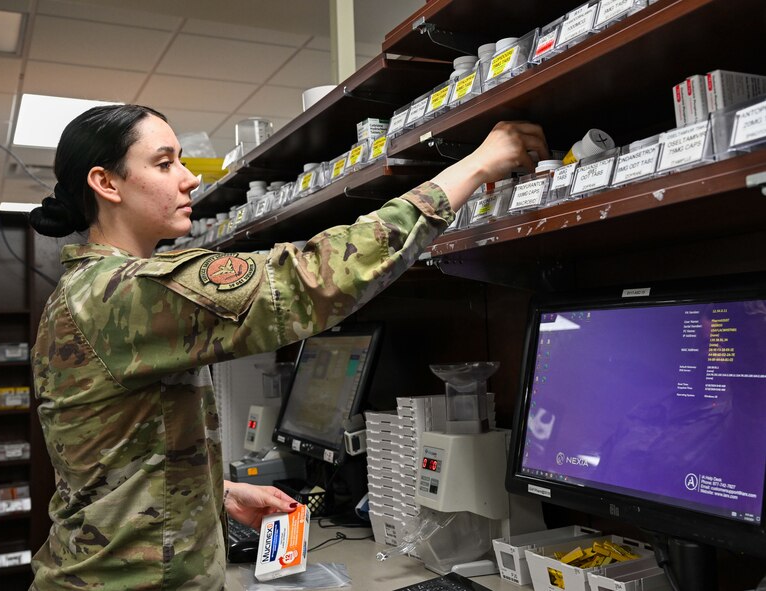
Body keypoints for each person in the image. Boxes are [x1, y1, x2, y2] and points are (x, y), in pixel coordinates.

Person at [28, 104, 548, 590]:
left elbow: (108, 456)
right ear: (106, 183)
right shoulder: (126, 292)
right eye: (164, 164)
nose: (188, 179)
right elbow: (315, 279)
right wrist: (478, 165)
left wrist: (218, 492)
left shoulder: (80, 290)